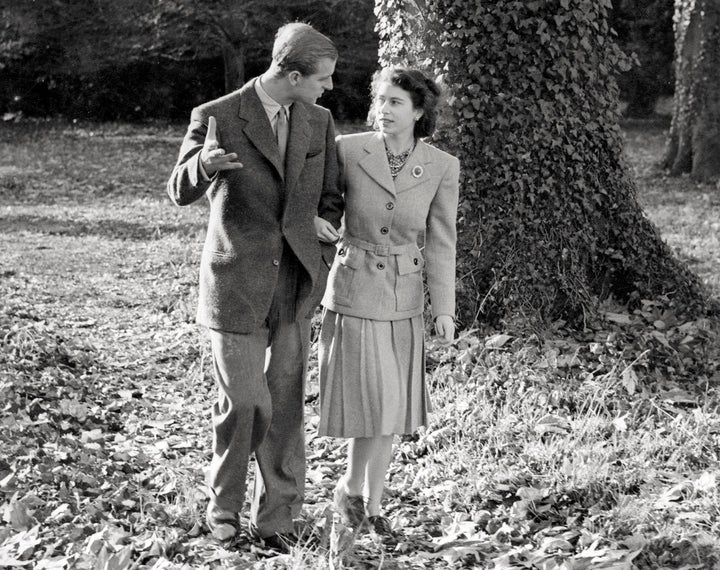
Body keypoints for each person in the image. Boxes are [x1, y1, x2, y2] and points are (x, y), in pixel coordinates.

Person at [166, 22, 343, 550]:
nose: (329, 88)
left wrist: (320, 233)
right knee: (245, 400)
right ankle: (223, 505)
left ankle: (279, 515)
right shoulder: (216, 115)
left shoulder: (319, 120)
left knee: (286, 404)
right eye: (322, 79)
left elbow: (329, 195)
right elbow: (178, 190)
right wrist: (203, 164)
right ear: (291, 75)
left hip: (294, 282)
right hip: (235, 282)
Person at [316, 67, 460, 543]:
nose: (383, 109)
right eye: (380, 99)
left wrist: (443, 308)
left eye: (395, 101)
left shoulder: (441, 166)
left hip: (404, 295)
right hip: (355, 286)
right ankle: (350, 493)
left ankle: (371, 505)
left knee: (391, 409)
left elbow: (441, 241)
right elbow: (324, 206)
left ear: (419, 111)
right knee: (372, 404)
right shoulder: (349, 149)